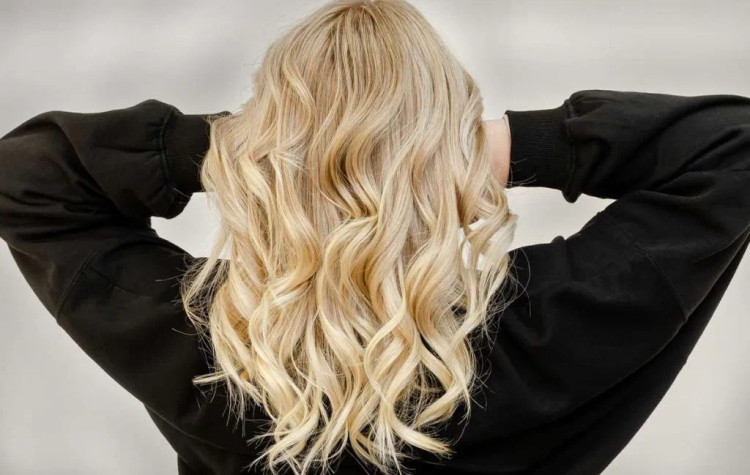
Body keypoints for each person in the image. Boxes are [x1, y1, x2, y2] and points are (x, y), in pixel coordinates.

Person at [1, 0, 748, 474]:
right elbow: (733, 148)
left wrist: (255, 148)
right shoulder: (545, 331)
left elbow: (25, 175)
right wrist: (477, 148)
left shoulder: (204, 349)